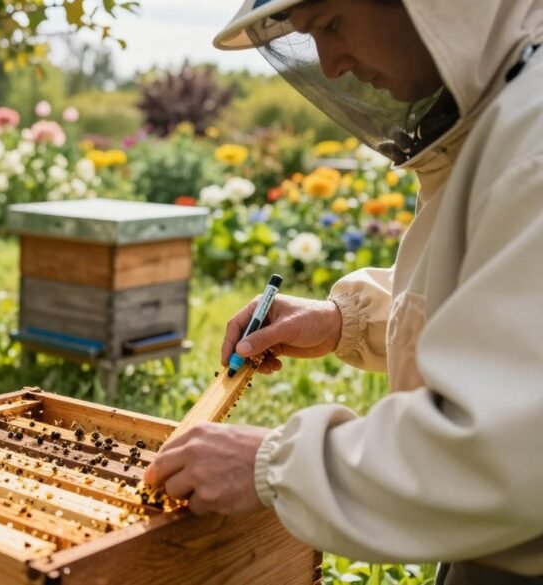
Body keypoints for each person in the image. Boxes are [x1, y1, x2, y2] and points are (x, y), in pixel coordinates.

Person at [142, 1, 543, 583]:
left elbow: (510, 452)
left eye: (332, 23)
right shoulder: (513, 109)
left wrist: (272, 464)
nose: (330, 67)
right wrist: (344, 320)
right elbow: (509, 318)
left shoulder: (534, 144)